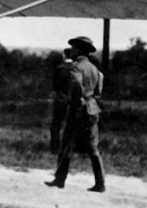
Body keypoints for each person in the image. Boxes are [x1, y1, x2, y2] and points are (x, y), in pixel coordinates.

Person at [46, 36, 107, 192]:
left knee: (66, 143)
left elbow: (76, 89)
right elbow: (98, 92)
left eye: (73, 48)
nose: (71, 51)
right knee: (93, 147)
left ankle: (60, 179)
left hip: (78, 109)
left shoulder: (76, 67)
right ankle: (100, 183)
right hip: (92, 108)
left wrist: (74, 104)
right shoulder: (95, 69)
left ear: (79, 50)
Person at [48, 47, 74, 153]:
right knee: (72, 124)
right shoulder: (77, 69)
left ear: (64, 56)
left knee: (56, 124)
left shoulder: (59, 69)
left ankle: (55, 147)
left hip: (60, 99)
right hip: (73, 99)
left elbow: (54, 87)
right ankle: (70, 147)